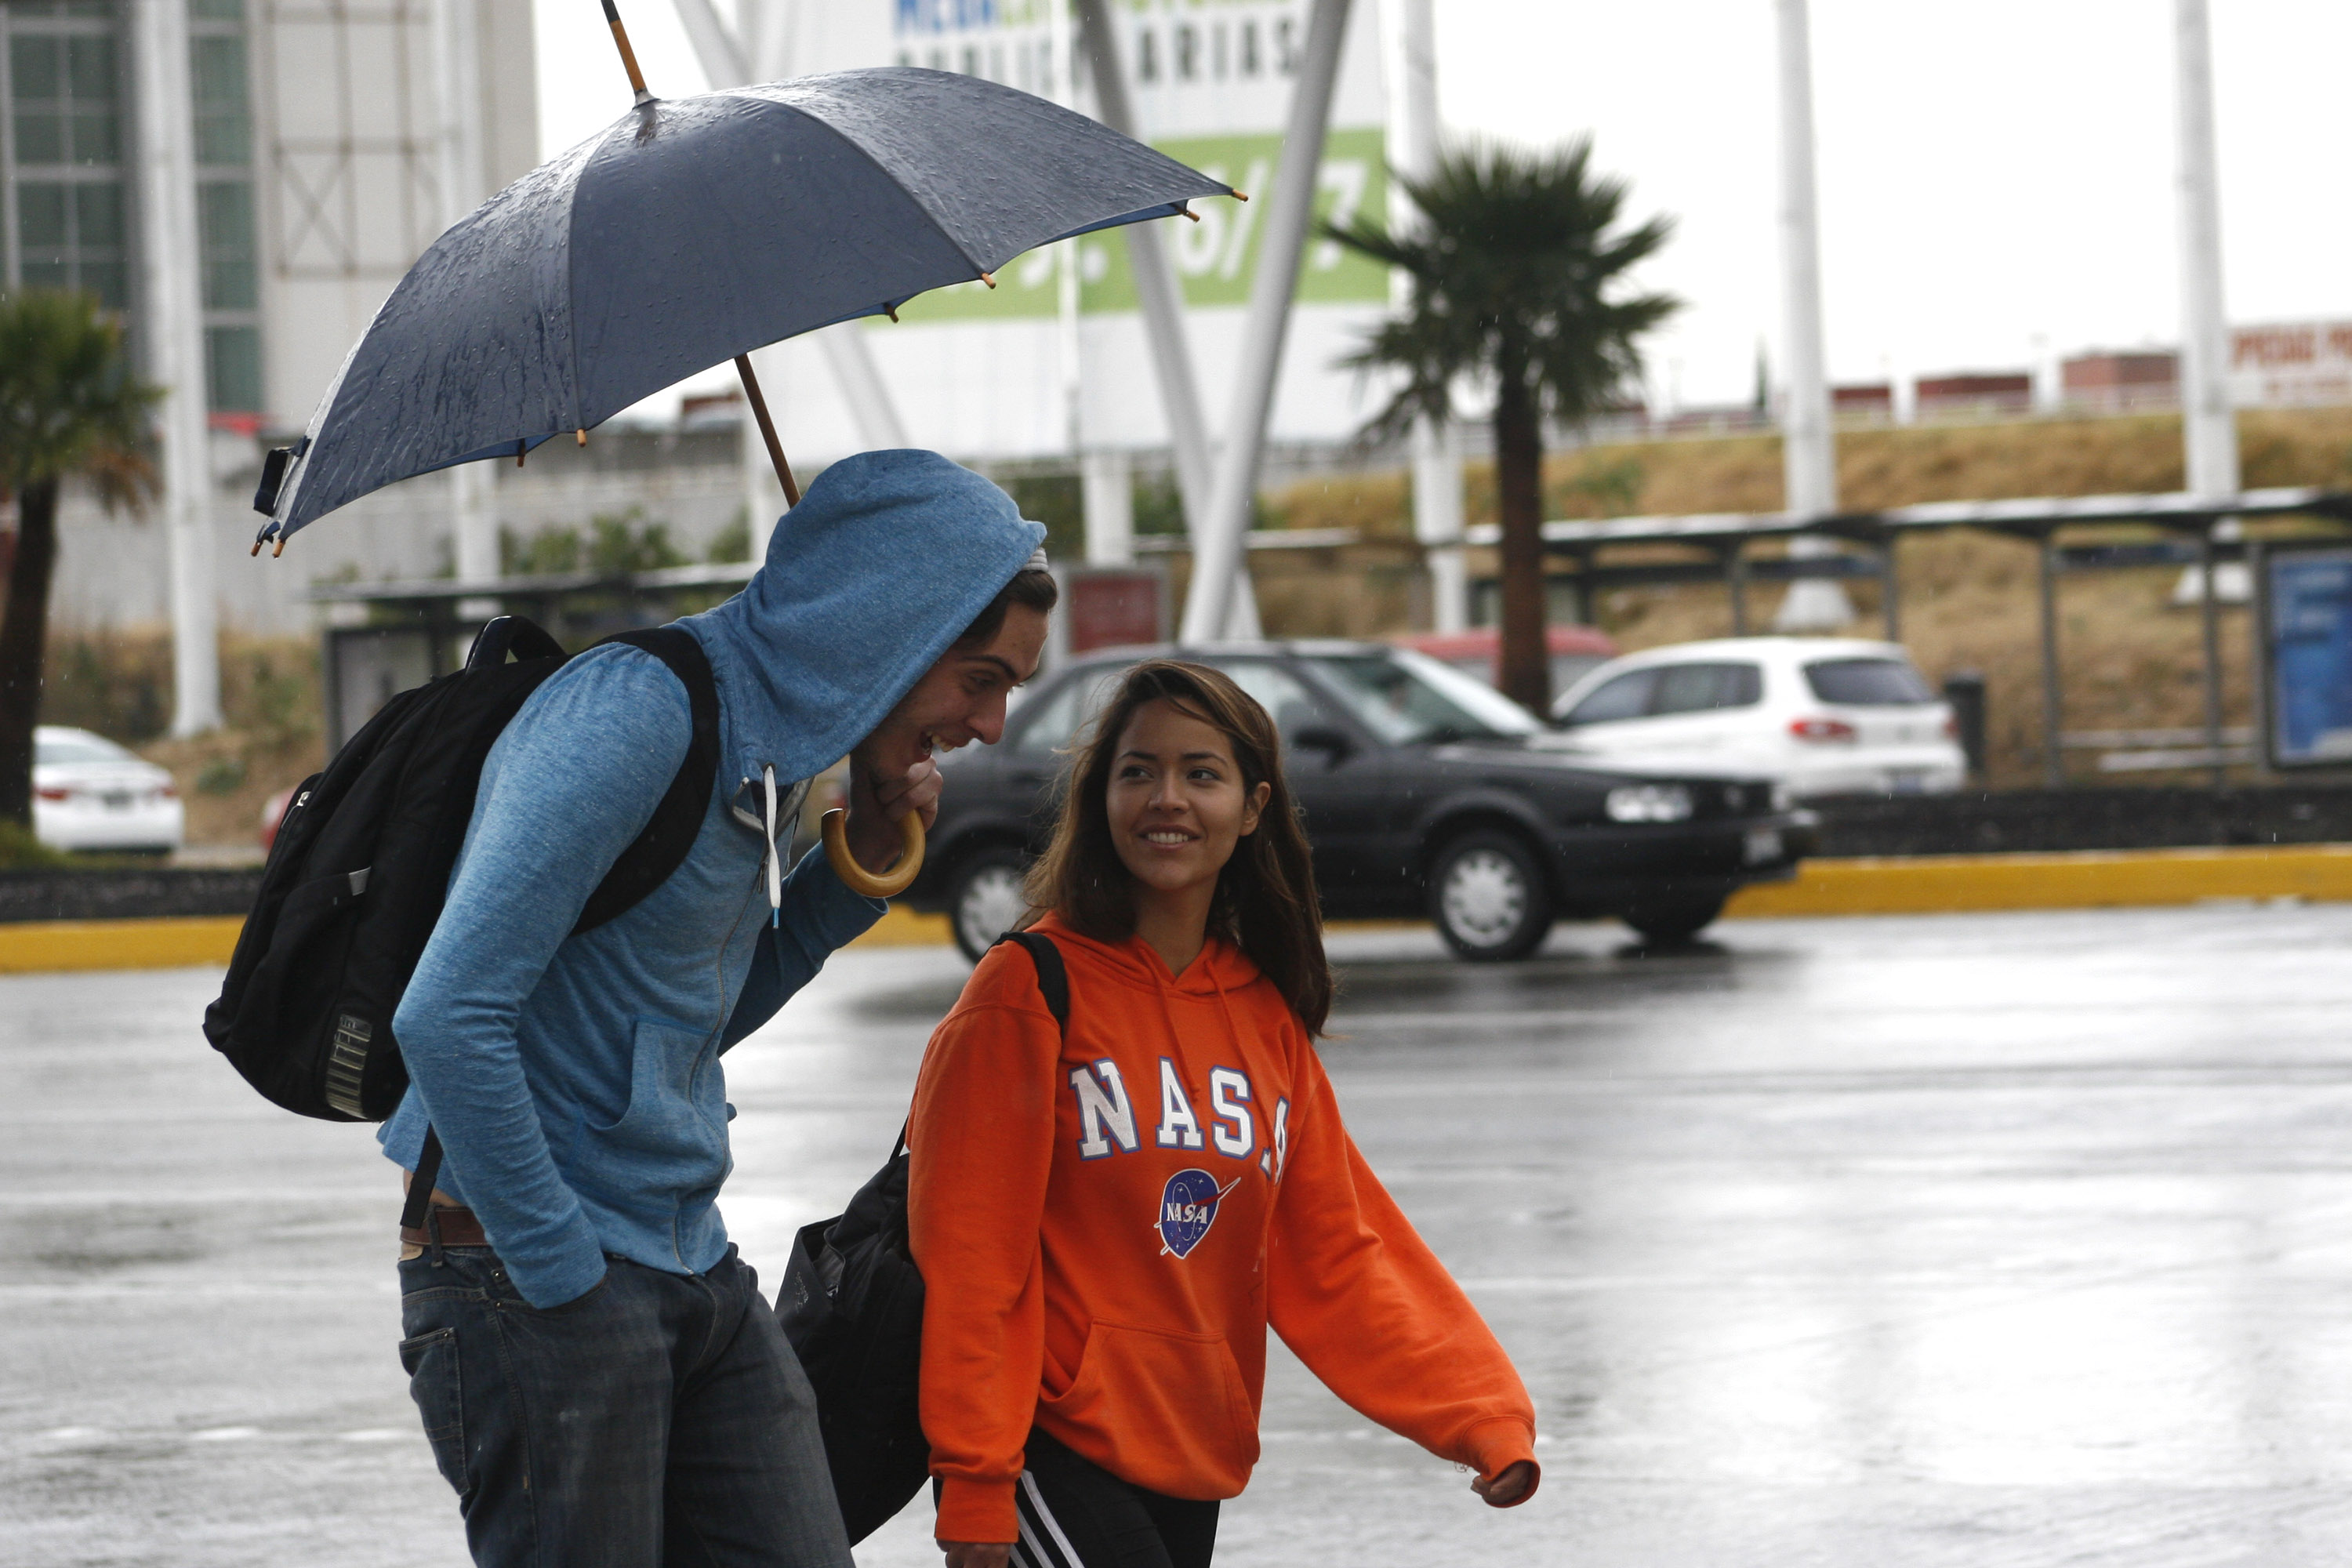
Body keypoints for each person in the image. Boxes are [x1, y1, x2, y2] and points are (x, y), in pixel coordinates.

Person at [387, 449, 1055, 1568]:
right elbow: (446, 1015)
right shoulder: (639, 714)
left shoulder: (774, 754)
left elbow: (683, 1031)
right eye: (978, 677)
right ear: (888, 621)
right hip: (528, 1270)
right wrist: (564, 1278)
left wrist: (857, 872)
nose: (988, 723)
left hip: (688, 1259)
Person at [907, 660, 1540, 1568]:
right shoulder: (1027, 988)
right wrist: (976, 1480)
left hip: (1194, 1450)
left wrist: (1480, 1412)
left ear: (1252, 807)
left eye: (1201, 773)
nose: (1166, 798)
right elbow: (971, 1258)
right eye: (1138, 771)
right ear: (1101, 796)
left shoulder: (1264, 1015)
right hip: (1050, 1442)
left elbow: (1338, 1251)